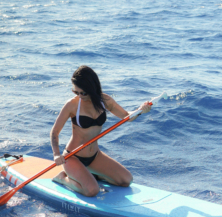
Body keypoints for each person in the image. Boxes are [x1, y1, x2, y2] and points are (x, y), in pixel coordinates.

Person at [50, 65, 152, 197]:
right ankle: (62, 178)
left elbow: (127, 116)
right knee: (92, 191)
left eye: (83, 93)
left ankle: (92, 175)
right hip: (73, 157)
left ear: (92, 88)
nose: (80, 96)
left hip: (95, 156)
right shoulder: (72, 105)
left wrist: (140, 110)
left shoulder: (104, 100)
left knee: (126, 180)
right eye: (76, 92)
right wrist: (56, 154)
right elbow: (54, 132)